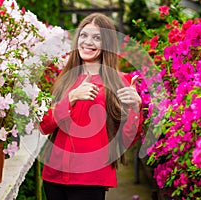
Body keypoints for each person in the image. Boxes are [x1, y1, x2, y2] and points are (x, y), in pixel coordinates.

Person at [38, 12, 143, 200]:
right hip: (54, 175)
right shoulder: (65, 78)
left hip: (90, 178)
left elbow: (126, 139)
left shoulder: (119, 81)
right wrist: (70, 98)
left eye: (97, 38)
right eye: (84, 35)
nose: (88, 42)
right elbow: (44, 125)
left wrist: (135, 108)